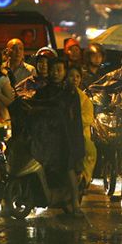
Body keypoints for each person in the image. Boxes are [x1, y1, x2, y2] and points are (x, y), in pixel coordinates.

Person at [30, 57, 85, 216]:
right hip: (46, 137)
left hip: (65, 139)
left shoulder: (70, 93)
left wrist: (77, 143)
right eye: (53, 69)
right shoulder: (43, 91)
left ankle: (75, 205)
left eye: (59, 70)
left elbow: (76, 121)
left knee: (69, 170)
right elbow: (34, 106)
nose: (55, 73)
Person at [67, 65, 96, 184]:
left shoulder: (84, 99)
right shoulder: (60, 95)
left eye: (77, 76)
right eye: (71, 76)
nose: (75, 79)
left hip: (80, 135)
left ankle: (85, 177)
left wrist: (72, 122)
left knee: (90, 151)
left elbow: (88, 118)